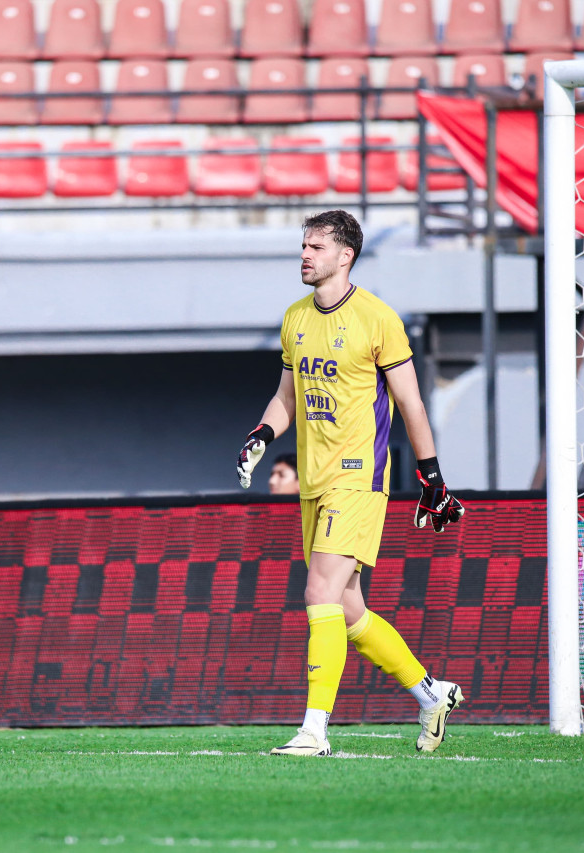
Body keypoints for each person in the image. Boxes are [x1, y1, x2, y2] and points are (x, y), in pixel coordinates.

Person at [236, 210, 465, 757]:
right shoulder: (295, 317)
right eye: (303, 246)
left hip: (359, 478)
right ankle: (431, 694)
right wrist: (263, 431)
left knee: (318, 592)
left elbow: (410, 401)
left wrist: (431, 474)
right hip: (314, 481)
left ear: (346, 256)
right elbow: (287, 396)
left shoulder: (378, 319)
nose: (305, 255)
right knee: (348, 608)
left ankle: (314, 730)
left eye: (317, 247)